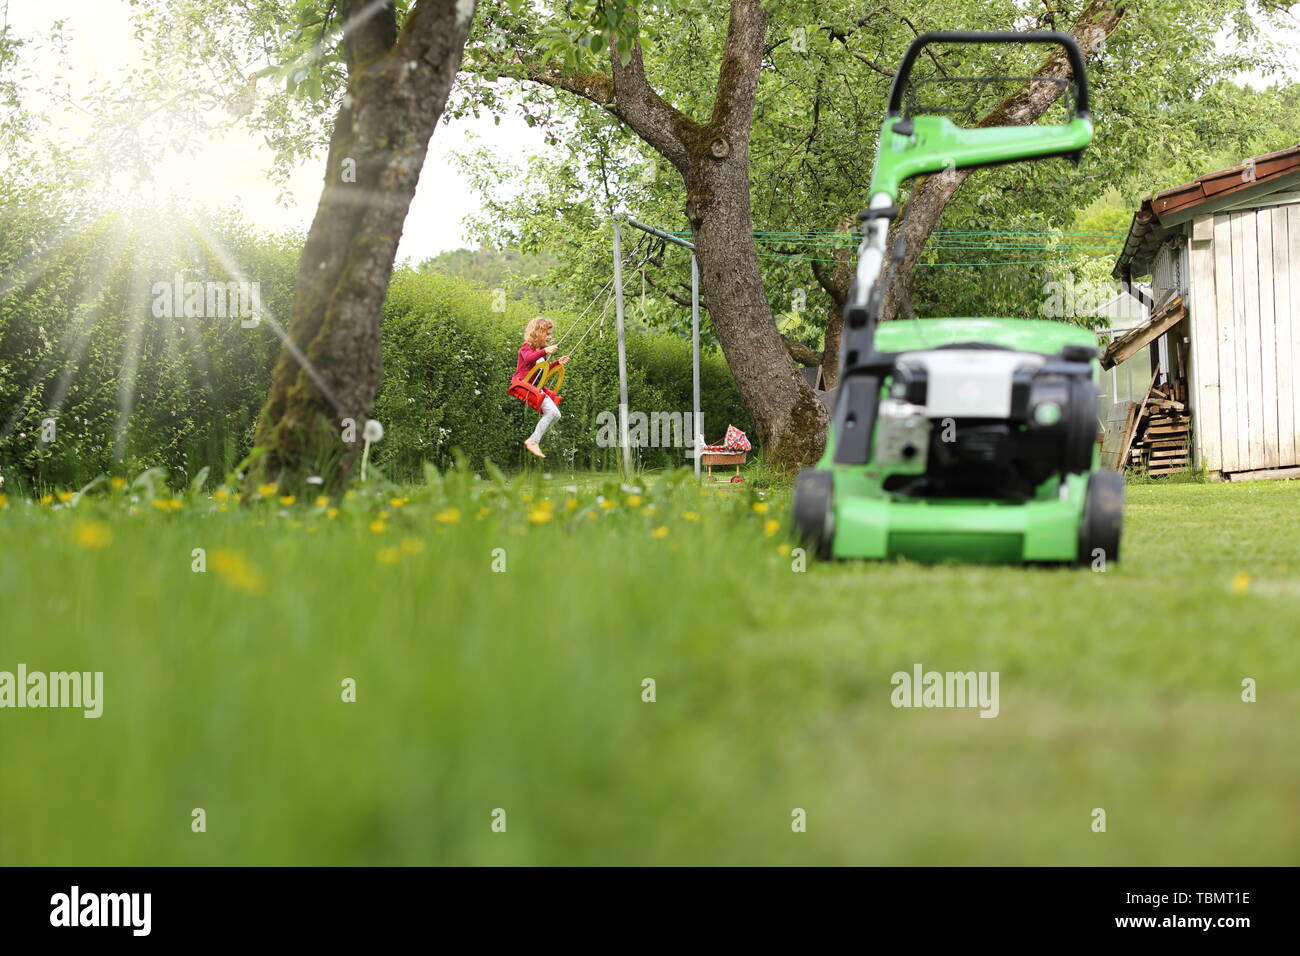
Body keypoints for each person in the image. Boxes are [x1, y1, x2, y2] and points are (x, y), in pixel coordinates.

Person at [514, 317, 569, 459]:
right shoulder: (527, 348)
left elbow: (542, 370)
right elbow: (529, 359)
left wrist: (557, 363)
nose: (550, 337)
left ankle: (534, 439)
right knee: (551, 412)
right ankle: (533, 441)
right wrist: (546, 351)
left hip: (535, 387)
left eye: (550, 334)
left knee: (556, 414)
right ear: (537, 333)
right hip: (523, 384)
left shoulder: (541, 352)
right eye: (547, 333)